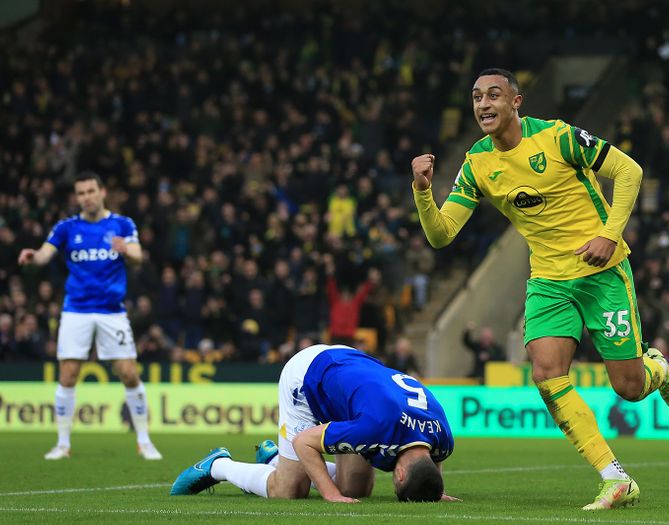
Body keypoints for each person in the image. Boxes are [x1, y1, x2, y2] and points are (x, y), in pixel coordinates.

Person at [410, 68, 669, 510]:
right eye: (477, 97)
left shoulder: (558, 137)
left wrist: (610, 235)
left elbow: (629, 171)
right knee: (546, 374)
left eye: (494, 95)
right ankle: (615, 478)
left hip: (602, 271)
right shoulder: (478, 163)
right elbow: (442, 234)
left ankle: (657, 369)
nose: (483, 104)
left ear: (516, 102)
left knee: (629, 387)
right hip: (549, 281)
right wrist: (423, 192)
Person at [170, 344, 457, 502]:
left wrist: (435, 491)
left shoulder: (443, 438)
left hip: (353, 375)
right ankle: (218, 466)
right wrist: (331, 496)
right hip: (308, 377)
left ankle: (274, 458)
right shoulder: (374, 429)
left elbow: (432, 463)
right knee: (289, 491)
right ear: (401, 476)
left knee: (356, 490)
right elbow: (304, 442)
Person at [17, 171, 162, 460]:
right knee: (68, 375)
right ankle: (62, 444)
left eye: (90, 191)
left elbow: (137, 254)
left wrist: (126, 251)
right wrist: (34, 256)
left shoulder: (122, 223)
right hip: (76, 311)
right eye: (81, 193)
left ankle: (144, 441)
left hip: (112, 312)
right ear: (77, 196)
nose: (86, 197)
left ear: (102, 191)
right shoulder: (66, 228)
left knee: (129, 373)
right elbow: (46, 253)